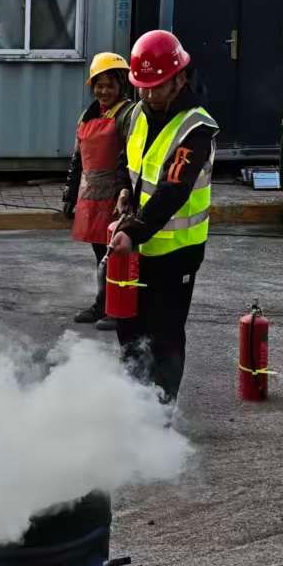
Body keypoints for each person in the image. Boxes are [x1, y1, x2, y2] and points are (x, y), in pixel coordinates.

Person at [108, 30, 217, 407]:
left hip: (176, 253)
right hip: (138, 242)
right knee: (128, 326)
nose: (148, 94)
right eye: (142, 87)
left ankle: (159, 417)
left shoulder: (197, 128)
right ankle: (131, 403)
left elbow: (173, 189)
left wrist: (133, 231)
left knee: (165, 334)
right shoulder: (137, 113)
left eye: (156, 87)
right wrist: (124, 189)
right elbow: (128, 161)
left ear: (180, 78)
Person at [62, 52, 135, 329]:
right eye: (98, 84)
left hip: (116, 198)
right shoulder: (89, 114)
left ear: (122, 86)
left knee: (118, 254)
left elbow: (130, 158)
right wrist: (70, 195)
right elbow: (77, 158)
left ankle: (119, 309)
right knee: (99, 255)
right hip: (91, 197)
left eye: (110, 85)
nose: (103, 90)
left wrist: (124, 194)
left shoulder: (128, 114)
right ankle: (102, 304)